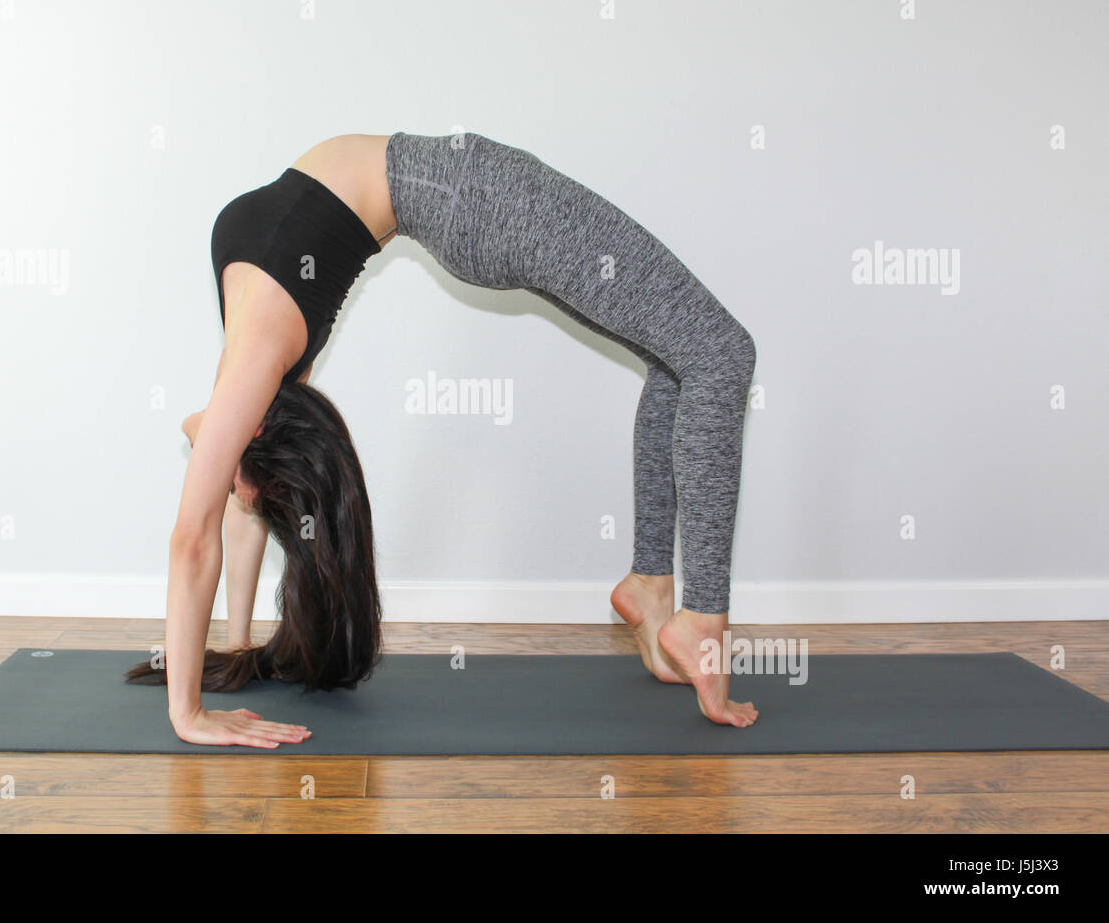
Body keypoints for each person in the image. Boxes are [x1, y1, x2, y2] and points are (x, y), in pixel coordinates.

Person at [127, 131, 758, 747]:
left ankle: (654, 587)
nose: (228, 481)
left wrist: (214, 680)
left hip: (462, 197)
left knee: (691, 355)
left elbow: (209, 519)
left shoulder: (259, 365)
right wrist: (209, 689)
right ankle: (696, 616)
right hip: (472, 194)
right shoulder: (264, 359)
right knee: (718, 354)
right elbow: (211, 522)